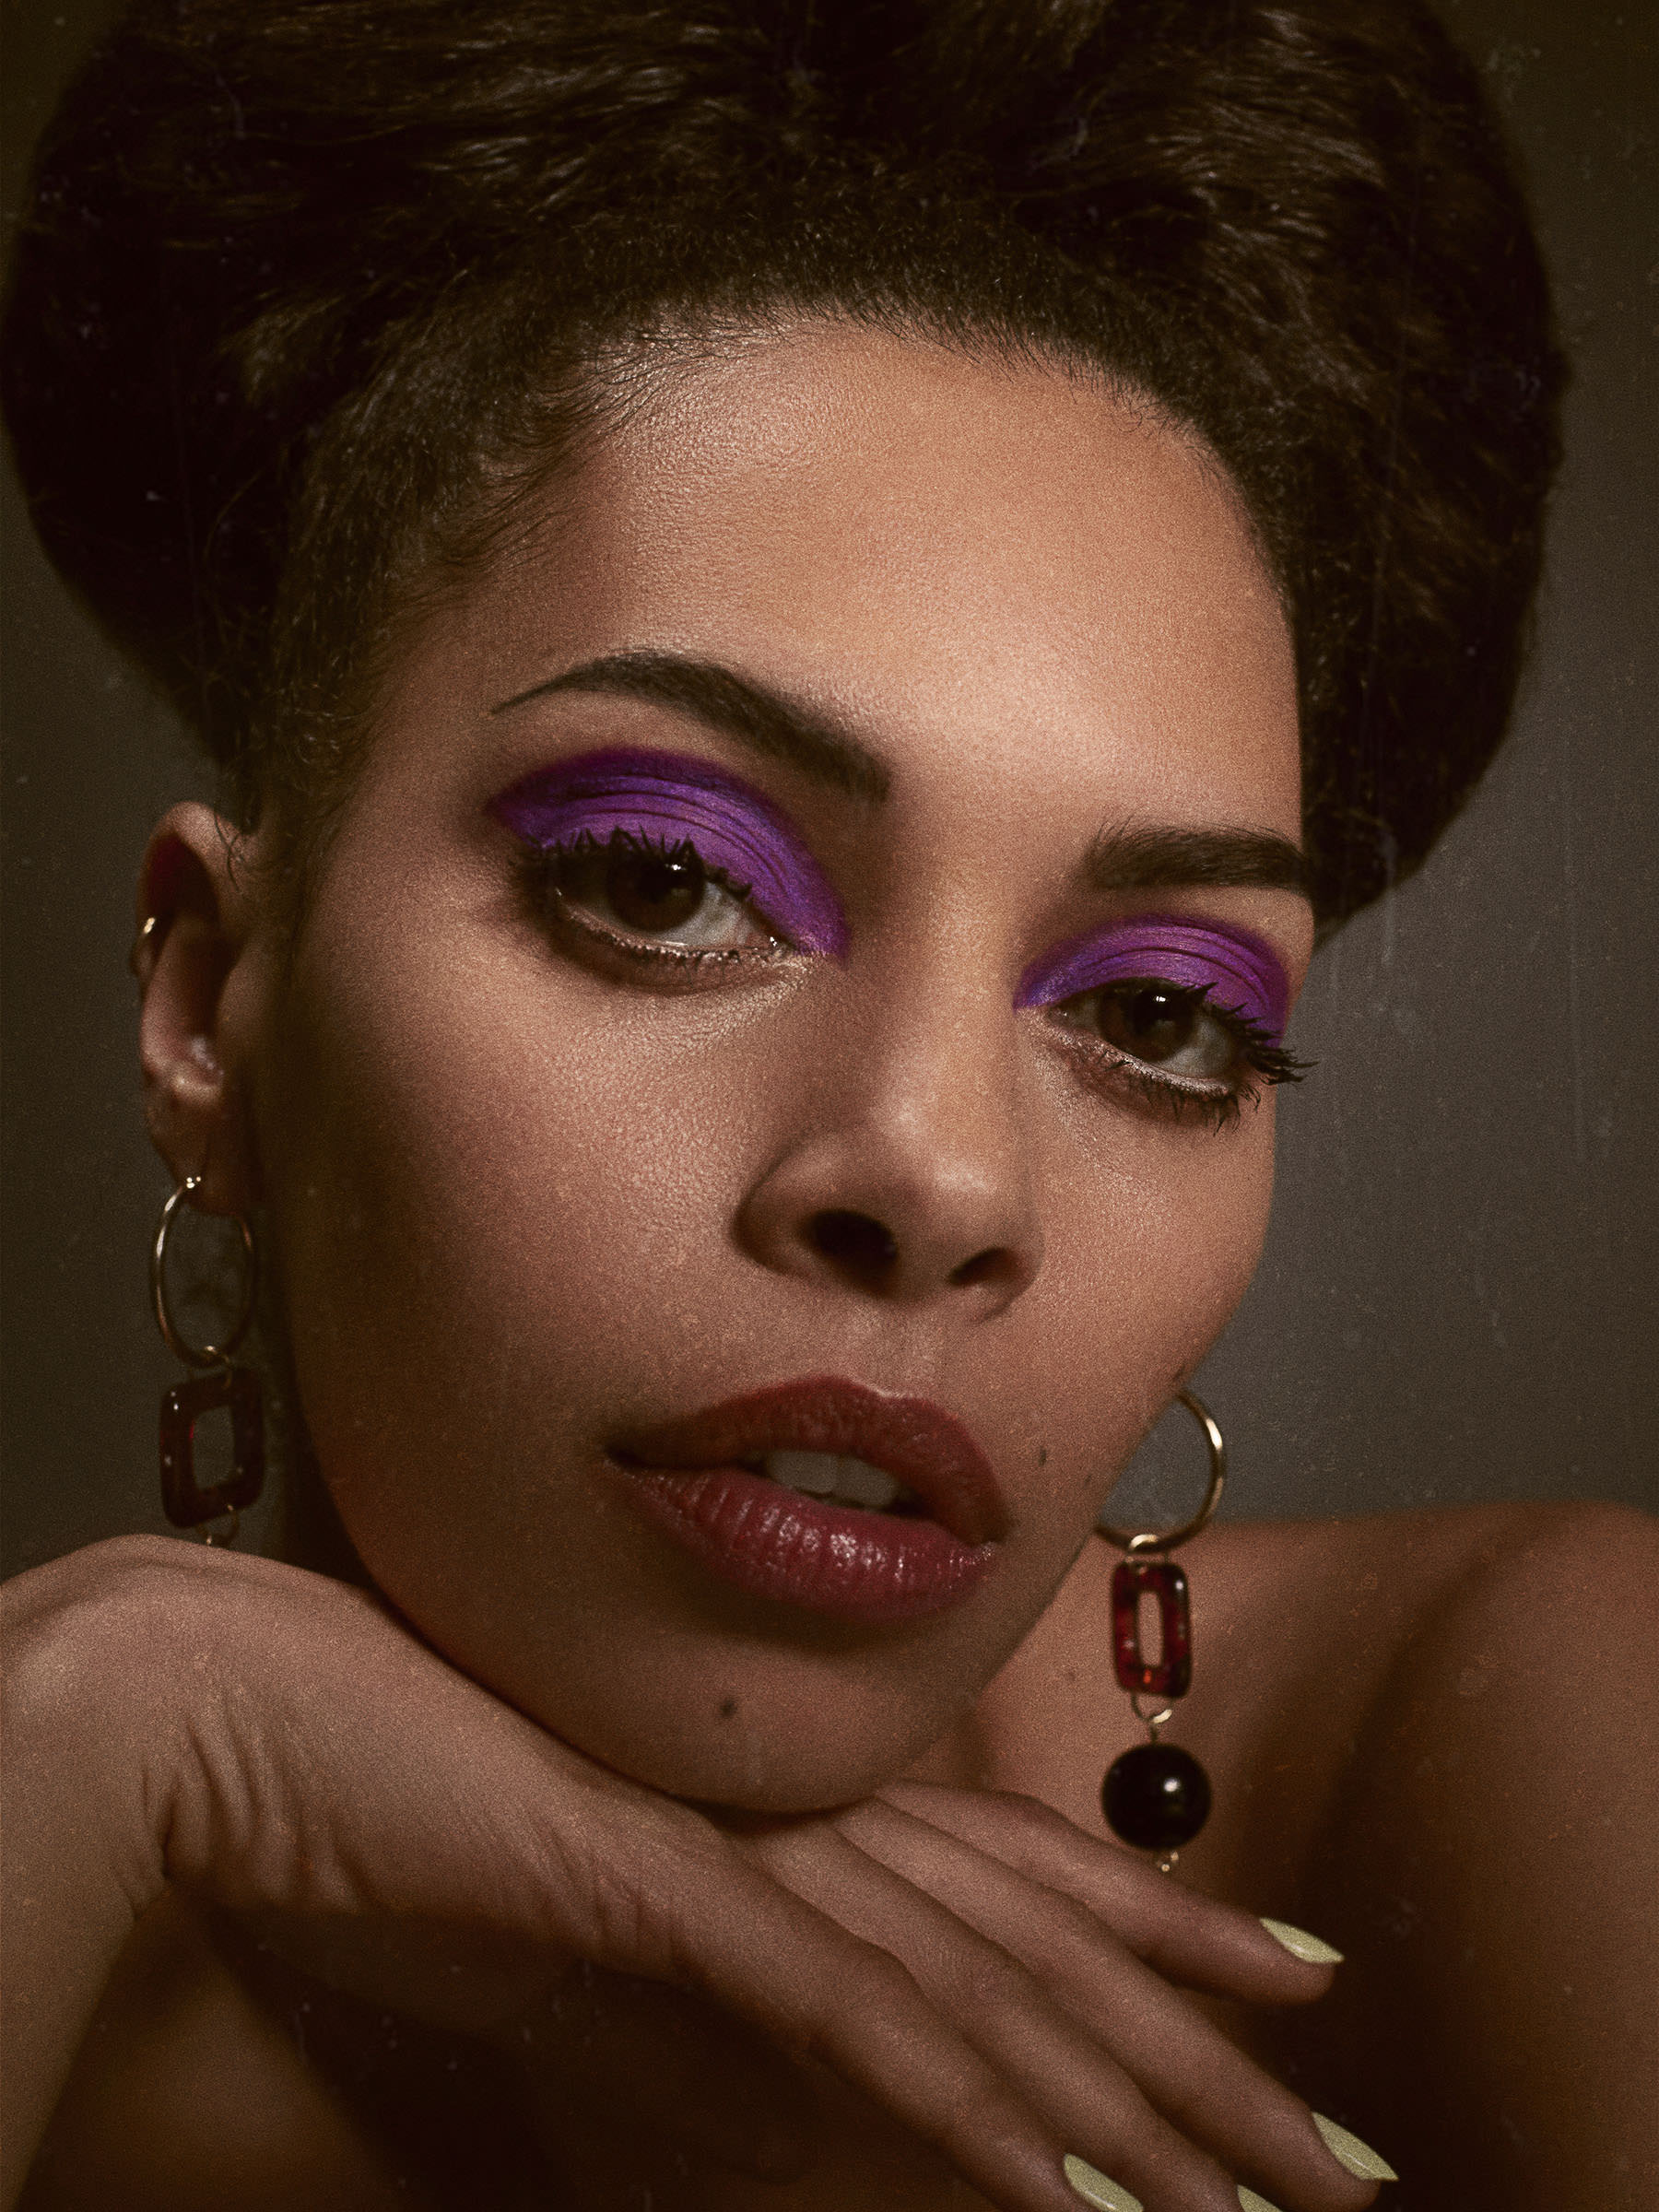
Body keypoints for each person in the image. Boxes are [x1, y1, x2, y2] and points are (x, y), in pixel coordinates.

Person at [1, 2, 1653, 2208]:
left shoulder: (1519, 1735)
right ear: (213, 1000)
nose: (944, 1179)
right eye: (664, 882)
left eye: (1160, 1015)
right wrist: (100, 1718)